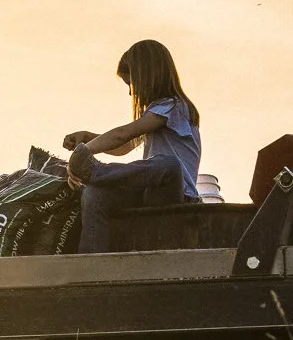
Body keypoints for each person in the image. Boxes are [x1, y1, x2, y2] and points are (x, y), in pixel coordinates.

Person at [57, 39, 203, 254]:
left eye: (131, 85)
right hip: (149, 194)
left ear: (147, 77)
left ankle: (97, 171)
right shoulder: (154, 114)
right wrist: (87, 138)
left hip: (177, 194)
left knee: (169, 164)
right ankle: (90, 262)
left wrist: (84, 154)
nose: (130, 93)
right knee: (94, 193)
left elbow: (122, 134)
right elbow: (122, 147)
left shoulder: (174, 106)